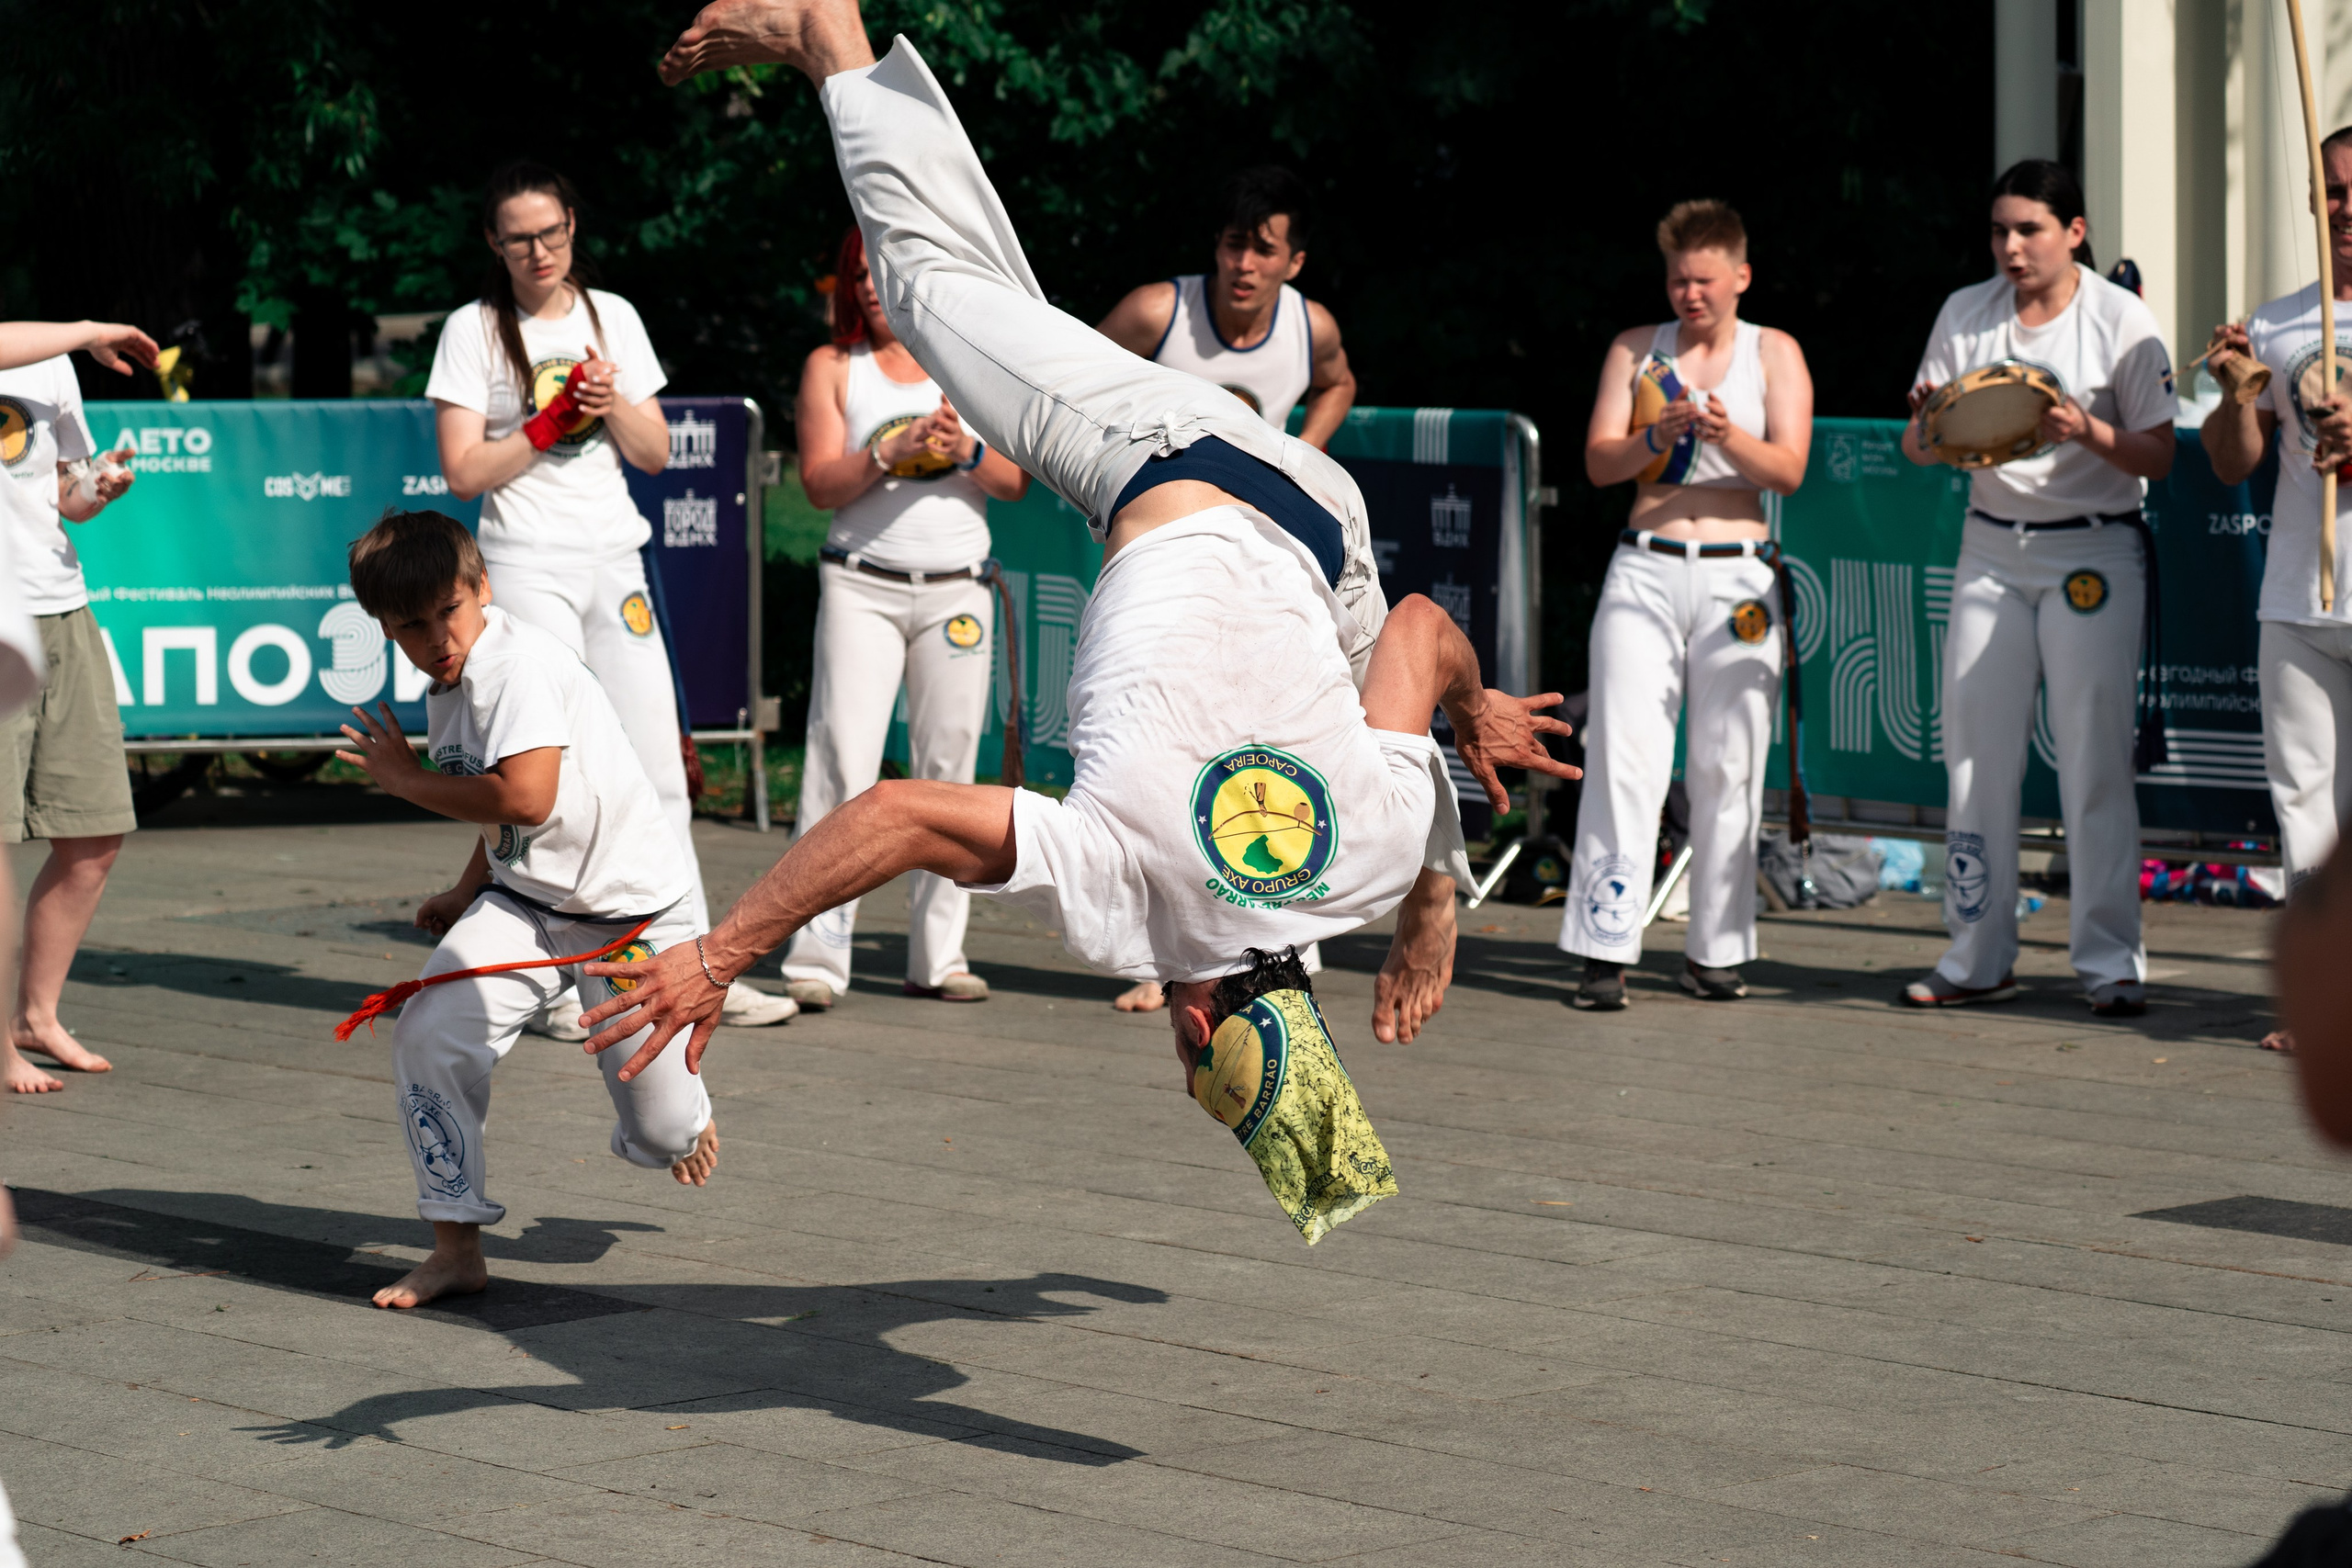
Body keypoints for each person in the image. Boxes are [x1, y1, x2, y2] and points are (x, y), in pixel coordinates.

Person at [586, 0, 1577, 1083]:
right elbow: (897, 813)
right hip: (1170, 461)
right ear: (1192, 1029)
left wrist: (1463, 735)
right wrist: (721, 955)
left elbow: (1420, 628)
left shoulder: (1357, 867)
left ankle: (1438, 891)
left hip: (1322, 525)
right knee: (924, 296)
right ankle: (831, 36)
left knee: (993, 308)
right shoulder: (1119, 879)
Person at [425, 162, 794, 1036]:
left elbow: (655, 452)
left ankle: (696, 962)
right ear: (494, 243)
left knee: (657, 766)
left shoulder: (611, 315)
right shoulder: (474, 328)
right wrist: (549, 423)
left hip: (613, 556)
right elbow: (464, 470)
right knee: (547, 775)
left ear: (572, 225)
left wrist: (610, 399)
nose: (539, 251)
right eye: (520, 238)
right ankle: (553, 982)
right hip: (525, 560)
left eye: (551, 232)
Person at [333, 511, 722, 1310]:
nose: (438, 636)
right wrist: (468, 886)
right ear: (385, 628)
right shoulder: (453, 681)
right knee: (427, 1034)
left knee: (661, 1134)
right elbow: (510, 812)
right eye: (412, 626)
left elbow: (527, 797)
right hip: (526, 904)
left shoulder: (515, 667)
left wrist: (403, 781)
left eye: (449, 610)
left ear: (482, 586)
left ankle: (684, 1116)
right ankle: (455, 1249)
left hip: (631, 918)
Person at [1899, 159, 2177, 1017]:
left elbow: (2160, 454)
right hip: (1990, 547)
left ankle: (2109, 962)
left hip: (2093, 550)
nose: (2012, 248)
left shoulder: (2120, 317)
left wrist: (2084, 428)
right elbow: (1919, 447)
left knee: (2094, 758)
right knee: (1975, 757)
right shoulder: (1966, 311)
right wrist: (1927, 420)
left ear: (2075, 232)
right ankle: (1977, 956)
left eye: (2030, 230)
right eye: (2000, 231)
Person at [1095, 167, 1359, 1016]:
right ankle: (1160, 957)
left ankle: (1283, 943)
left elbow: (1339, 382)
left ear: (1295, 261)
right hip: (1163, 558)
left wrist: (1301, 456)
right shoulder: (1157, 312)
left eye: (1265, 249)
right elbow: (1074, 384)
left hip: (1264, 562)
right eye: (1234, 244)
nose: (1245, 264)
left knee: (1269, 744)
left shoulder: (1310, 326)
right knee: (1158, 747)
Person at [1560, 200, 1814, 1010]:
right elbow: (1600, 464)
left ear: (1741, 276)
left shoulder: (1774, 351)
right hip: (1646, 563)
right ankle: (1605, 941)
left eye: (1704, 280)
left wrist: (1725, 433)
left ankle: (1717, 950)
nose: (1689, 294)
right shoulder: (1637, 348)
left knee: (1729, 764)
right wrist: (1658, 436)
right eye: (1677, 280)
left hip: (1739, 573)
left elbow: (1789, 469)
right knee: (1624, 754)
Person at [781, 226, 1029, 1011]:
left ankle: (938, 956)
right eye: (857, 274)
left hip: (958, 589)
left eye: (882, 272)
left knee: (949, 772)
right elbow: (818, 484)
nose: (869, 287)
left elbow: (1015, 480)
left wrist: (963, 451)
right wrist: (889, 452)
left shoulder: (967, 362)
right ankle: (817, 955)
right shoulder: (833, 366)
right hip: (862, 585)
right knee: (841, 763)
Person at [2202, 123, 2352, 1055]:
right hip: (2297, 597)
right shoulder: (2280, 319)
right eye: (2332, 190)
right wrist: (2235, 388)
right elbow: (2232, 464)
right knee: (2304, 802)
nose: (2347, 209)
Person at [0, 321, 153, 1093]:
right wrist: (93, 330)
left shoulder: (51, 361)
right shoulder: (59, 342)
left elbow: (62, 494)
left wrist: (96, 489)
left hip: (61, 604)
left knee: (93, 832)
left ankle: (36, 1015)